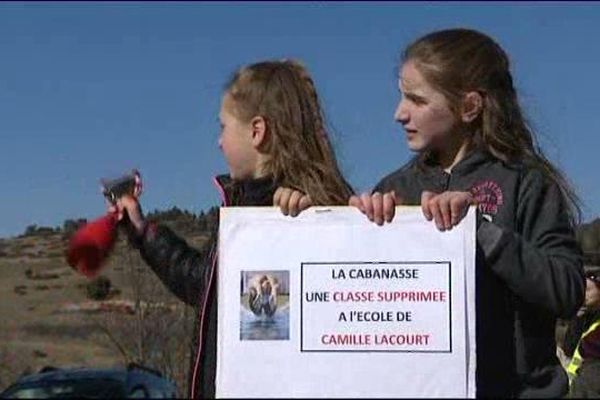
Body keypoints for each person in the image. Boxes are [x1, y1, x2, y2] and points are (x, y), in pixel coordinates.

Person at [276, 28, 585, 397]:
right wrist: (327, 227)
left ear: (469, 106)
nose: (398, 114)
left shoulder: (526, 182)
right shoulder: (395, 188)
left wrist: (482, 232)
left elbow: (567, 290)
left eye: (416, 100)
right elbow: (358, 302)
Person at [110, 59, 353, 399]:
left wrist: (316, 224)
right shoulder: (242, 213)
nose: (219, 142)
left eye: (223, 127)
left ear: (257, 131)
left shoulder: (306, 214)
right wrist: (142, 230)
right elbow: (204, 287)